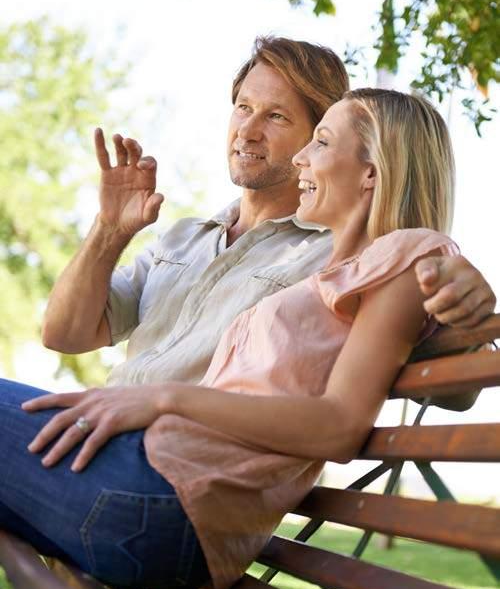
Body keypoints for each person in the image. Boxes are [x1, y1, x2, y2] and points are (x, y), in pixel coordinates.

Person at [2, 88, 462, 589]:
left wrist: (160, 399)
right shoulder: (334, 274)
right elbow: (63, 333)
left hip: (162, 497)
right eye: (243, 107)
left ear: (372, 172)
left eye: (320, 142)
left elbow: (340, 424)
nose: (302, 158)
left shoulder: (403, 254)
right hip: (146, 479)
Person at [41, 37, 495, 393]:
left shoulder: (340, 254)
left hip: (169, 462)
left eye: (276, 116)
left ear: (320, 133)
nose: (248, 131)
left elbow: (453, 381)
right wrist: (109, 231)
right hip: (98, 432)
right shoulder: (183, 238)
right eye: (243, 108)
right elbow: (64, 334)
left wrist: (463, 303)